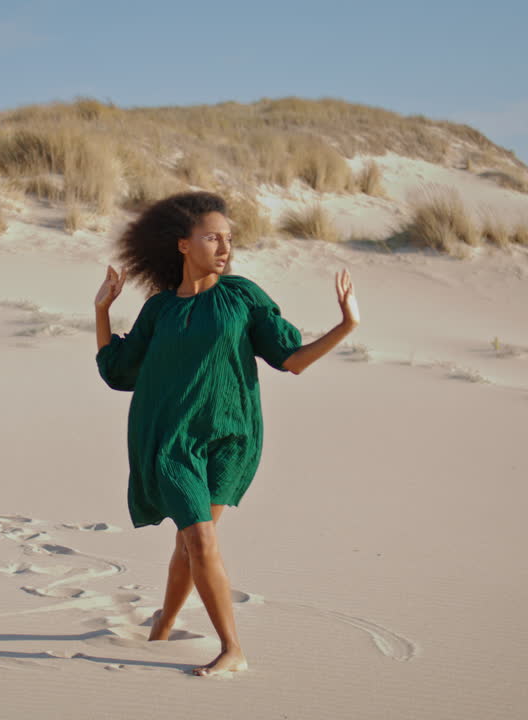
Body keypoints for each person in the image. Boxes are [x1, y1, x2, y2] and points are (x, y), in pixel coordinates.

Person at [93, 191, 360, 676]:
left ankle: (162, 628)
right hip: (171, 443)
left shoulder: (242, 296)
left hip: (231, 441)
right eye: (212, 237)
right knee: (200, 539)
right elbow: (118, 372)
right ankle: (232, 648)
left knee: (191, 540)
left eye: (229, 238)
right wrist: (103, 312)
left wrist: (346, 325)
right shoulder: (159, 311)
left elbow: (291, 360)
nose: (224, 247)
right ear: (182, 245)